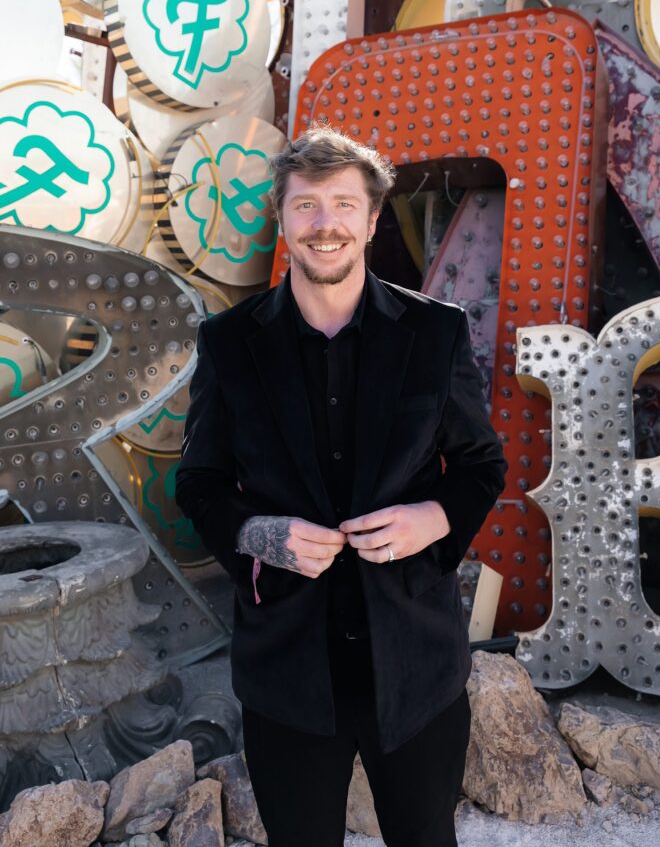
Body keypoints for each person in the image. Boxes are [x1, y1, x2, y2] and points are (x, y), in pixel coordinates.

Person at [175, 126, 508, 847]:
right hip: (287, 672)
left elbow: (481, 466)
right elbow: (199, 483)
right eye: (305, 207)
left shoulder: (435, 334)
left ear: (371, 218)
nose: (324, 224)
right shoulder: (228, 343)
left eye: (342, 205)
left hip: (416, 664)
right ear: (283, 218)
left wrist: (432, 517)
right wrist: (258, 535)